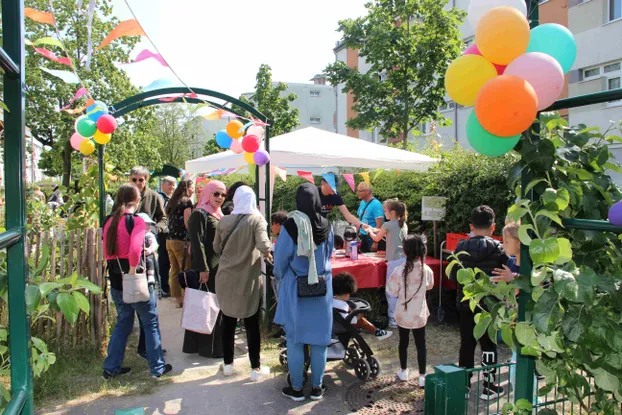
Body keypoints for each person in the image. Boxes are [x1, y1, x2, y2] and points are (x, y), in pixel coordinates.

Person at [102, 183, 172, 379]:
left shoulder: (109, 221)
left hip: (116, 279)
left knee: (123, 323)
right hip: (136, 278)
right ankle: (157, 368)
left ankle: (111, 367)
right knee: (150, 322)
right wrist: (133, 269)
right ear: (137, 200)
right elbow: (134, 250)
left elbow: (107, 252)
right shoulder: (136, 222)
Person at [274, 183, 334, 402]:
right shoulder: (327, 223)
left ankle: (297, 389)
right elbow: (329, 255)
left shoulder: (291, 224)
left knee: (295, 339)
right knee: (320, 341)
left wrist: (280, 275)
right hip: (321, 287)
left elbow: (280, 260)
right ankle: (317, 388)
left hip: (296, 286)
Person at [449, 205, 508, 401]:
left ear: (471, 226)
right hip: (490, 305)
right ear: (493, 227)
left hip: (467, 303)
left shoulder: (460, 247)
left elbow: (454, 276)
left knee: (467, 344)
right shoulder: (500, 250)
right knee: (489, 344)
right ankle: (489, 386)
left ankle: (464, 386)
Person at [214, 186, 272, 381]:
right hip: (248, 279)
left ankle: (228, 364)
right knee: (251, 323)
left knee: (228, 321)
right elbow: (264, 245)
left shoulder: (223, 220)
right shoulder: (257, 220)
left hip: (225, 277)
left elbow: (215, 246)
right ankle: (255, 368)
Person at [184, 180, 227, 358]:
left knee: (211, 306)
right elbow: (197, 242)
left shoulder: (218, 214)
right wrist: (203, 268)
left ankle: (209, 346)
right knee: (206, 306)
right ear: (208, 193)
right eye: (216, 193)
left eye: (223, 194)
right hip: (206, 268)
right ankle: (207, 348)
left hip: (219, 267)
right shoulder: (200, 214)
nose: (220, 198)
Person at [386, 235, 434, 386]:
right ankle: (422, 375)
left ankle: (404, 371)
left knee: (403, 343)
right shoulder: (427, 270)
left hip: (403, 313)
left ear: (405, 252)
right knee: (421, 344)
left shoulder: (399, 270)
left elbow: (391, 290)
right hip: (419, 313)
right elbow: (430, 286)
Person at [364, 200, 408, 328]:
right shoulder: (403, 224)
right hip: (404, 259)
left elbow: (377, 238)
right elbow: (385, 232)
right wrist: (374, 230)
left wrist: (369, 231)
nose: (384, 213)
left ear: (392, 212)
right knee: (401, 289)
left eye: (385, 211)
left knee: (391, 291)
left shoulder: (388, 225)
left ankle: (393, 319)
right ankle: (402, 317)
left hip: (394, 261)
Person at [333, 272, 392, 340]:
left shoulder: (332, 300)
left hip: (335, 325)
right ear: (346, 294)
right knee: (361, 321)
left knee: (359, 319)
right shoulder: (342, 305)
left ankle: (377, 331)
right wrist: (358, 318)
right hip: (341, 327)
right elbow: (347, 321)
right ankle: (377, 332)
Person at [166, 179, 195, 308]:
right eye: (192, 187)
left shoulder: (172, 201)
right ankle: (187, 298)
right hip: (181, 241)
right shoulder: (186, 201)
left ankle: (177, 299)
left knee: (174, 270)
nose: (193, 190)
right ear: (187, 188)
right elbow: (188, 222)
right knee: (186, 269)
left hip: (169, 240)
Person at [130, 167, 167, 235]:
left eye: (141, 180)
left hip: (146, 238)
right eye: (134, 180)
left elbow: (163, 218)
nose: (137, 182)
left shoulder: (154, 196)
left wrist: (155, 230)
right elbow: (114, 215)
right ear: (130, 179)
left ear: (146, 180)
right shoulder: (123, 194)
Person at [156, 176, 176, 297]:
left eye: (173, 185)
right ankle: (163, 286)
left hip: (170, 233)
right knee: (164, 260)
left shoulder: (171, 198)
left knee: (168, 261)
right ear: (162, 185)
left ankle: (167, 285)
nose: (171, 187)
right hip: (163, 233)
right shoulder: (160, 198)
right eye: (169, 184)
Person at [356, 182, 384, 253]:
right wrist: (355, 235)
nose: (357, 193)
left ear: (367, 192)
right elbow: (359, 219)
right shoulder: (362, 202)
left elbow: (379, 225)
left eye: (360, 191)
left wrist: (375, 242)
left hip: (372, 238)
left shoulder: (376, 205)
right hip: (362, 237)